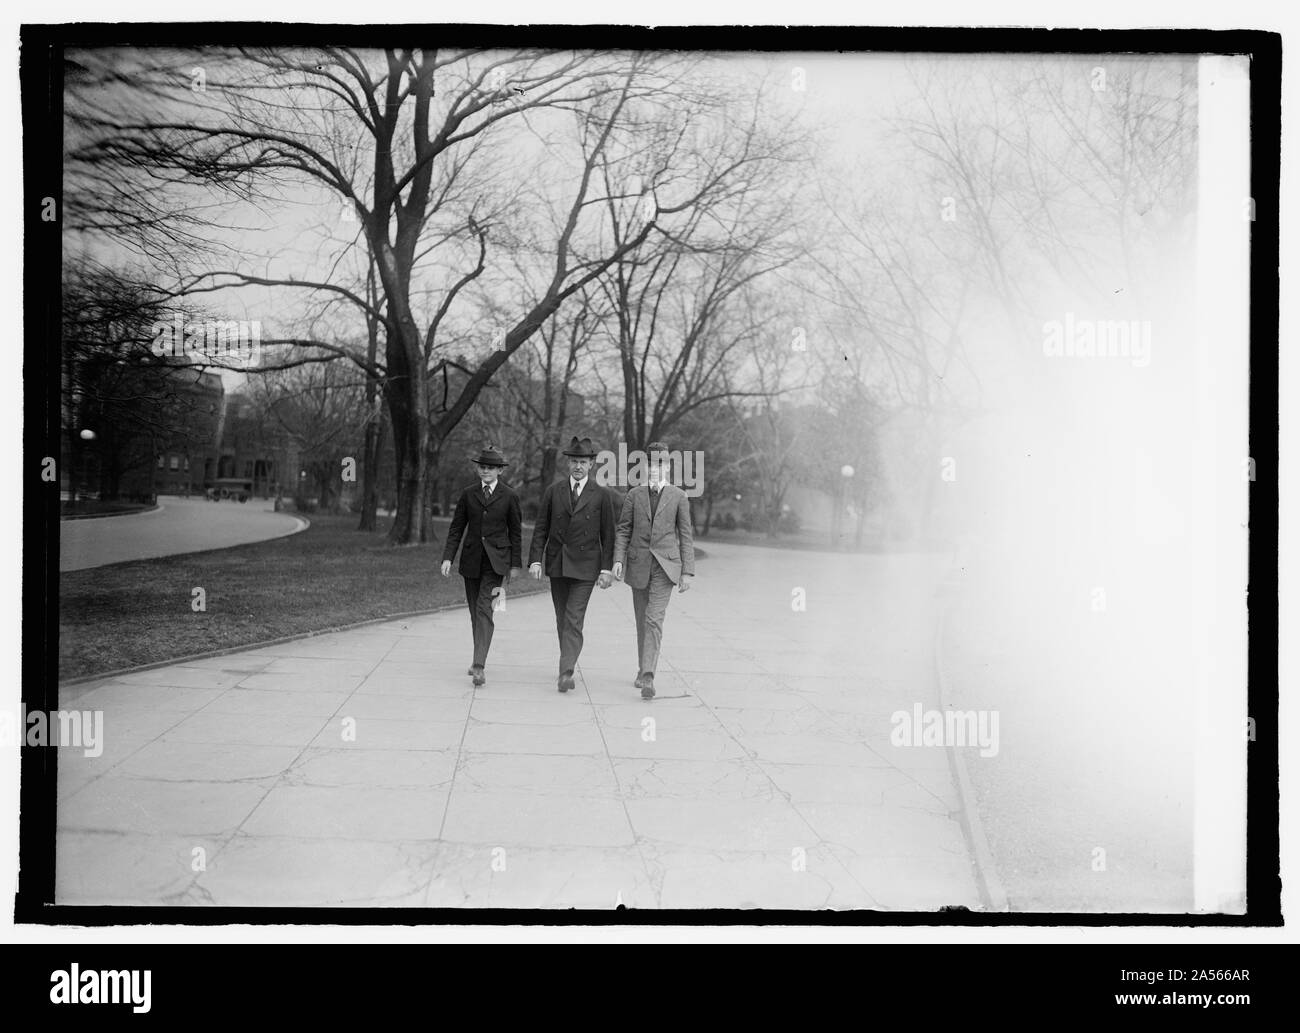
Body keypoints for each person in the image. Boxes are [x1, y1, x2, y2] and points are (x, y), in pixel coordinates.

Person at [528, 436, 615, 693]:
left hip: (586, 566)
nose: (578, 466)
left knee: (574, 618)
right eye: (574, 461)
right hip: (558, 563)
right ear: (568, 463)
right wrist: (535, 560)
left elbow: (608, 535)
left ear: (591, 465)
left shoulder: (601, 495)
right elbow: (541, 528)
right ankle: (568, 660)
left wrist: (606, 569)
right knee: (562, 618)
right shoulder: (553, 491)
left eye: (583, 462)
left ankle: (566, 672)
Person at [612, 441, 695, 700]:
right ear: (645, 466)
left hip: (665, 567)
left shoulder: (679, 496)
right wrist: (618, 559)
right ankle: (642, 668)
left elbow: (685, 534)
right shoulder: (634, 495)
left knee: (653, 619)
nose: (656, 468)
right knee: (642, 620)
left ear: (668, 466)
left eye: (661, 463)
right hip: (639, 564)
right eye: (651, 463)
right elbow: (624, 529)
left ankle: (648, 676)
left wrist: (687, 571)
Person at [440, 444, 522, 687]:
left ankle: (479, 666)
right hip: (471, 560)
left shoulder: (509, 496)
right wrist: (448, 557)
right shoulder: (468, 494)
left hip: (496, 564)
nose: (485, 471)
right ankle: (479, 655)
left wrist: (515, 565)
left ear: (500, 471)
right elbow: (456, 528)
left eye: (491, 468)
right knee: (475, 611)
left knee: (485, 609)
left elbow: (516, 533)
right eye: (482, 467)